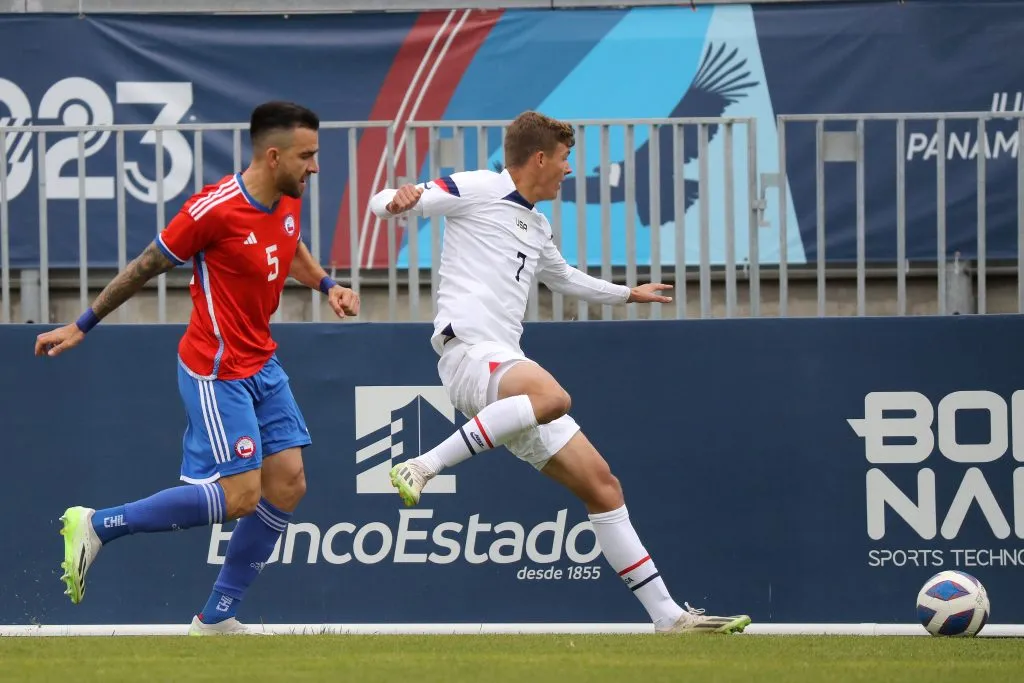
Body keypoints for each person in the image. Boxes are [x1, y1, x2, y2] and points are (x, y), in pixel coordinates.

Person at [369, 110, 750, 635]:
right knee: (553, 395)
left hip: (503, 373)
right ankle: (423, 466)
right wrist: (396, 199)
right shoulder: (478, 187)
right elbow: (382, 204)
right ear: (541, 158)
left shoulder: (537, 224)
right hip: (469, 354)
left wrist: (627, 294)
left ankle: (668, 618)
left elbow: (564, 277)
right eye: (566, 158)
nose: (570, 169)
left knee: (603, 486)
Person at [35, 101, 359, 636]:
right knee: (241, 497)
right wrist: (82, 325)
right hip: (216, 368)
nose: (315, 167)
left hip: (262, 360)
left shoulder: (286, 197)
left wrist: (328, 284)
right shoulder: (212, 209)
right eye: (308, 156)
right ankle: (96, 524)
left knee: (289, 483)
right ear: (273, 155)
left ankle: (216, 618)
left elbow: (289, 245)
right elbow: (145, 264)